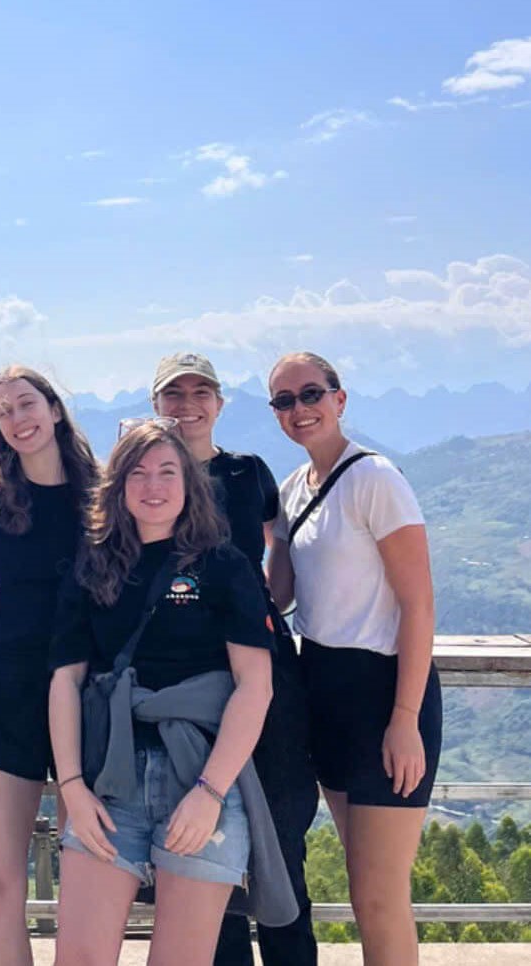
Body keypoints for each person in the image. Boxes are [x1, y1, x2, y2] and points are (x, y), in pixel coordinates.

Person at [49, 423, 283, 966]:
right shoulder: (92, 565)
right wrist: (72, 789)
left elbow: (255, 684)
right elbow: (65, 681)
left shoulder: (223, 565)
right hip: (110, 781)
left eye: (166, 472)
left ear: (189, 483)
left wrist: (210, 792)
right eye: (138, 473)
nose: (152, 486)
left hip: (201, 772)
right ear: (118, 485)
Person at [266, 351, 441, 966]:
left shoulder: (376, 479)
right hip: (323, 687)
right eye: (284, 400)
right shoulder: (293, 489)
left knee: (379, 897)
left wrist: (405, 719)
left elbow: (419, 604)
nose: (299, 409)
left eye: (311, 394)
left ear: (339, 399)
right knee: (362, 881)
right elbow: (279, 593)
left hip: (383, 691)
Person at [150, 352, 319, 966]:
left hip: (266, 666)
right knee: (205, 851)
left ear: (220, 404)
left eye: (201, 392)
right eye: (173, 394)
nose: (187, 404)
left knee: (282, 833)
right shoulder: (146, 478)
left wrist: (269, 600)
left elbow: (279, 540)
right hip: (188, 675)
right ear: (156, 406)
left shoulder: (247, 472)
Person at [0, 365, 98, 966]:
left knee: (86, 878)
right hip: (8, 691)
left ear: (55, 408)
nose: (17, 418)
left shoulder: (106, 495)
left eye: (26, 403)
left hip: (90, 693)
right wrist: (4, 622)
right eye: (3, 410)